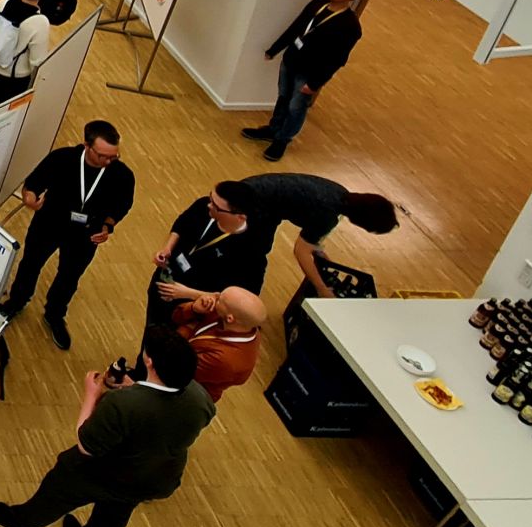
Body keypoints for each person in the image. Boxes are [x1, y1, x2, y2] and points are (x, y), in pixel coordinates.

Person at [0, 327, 214, 527]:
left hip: (103, 471)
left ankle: (20, 522)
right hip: (152, 478)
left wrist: (91, 394)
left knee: (57, 492)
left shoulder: (121, 404)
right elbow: (162, 414)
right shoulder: (200, 398)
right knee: (113, 517)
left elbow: (86, 444)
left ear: (149, 361)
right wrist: (136, 387)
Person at [0, 120, 135, 351]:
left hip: (86, 234)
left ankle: (54, 314)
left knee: (70, 276)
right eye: (102, 156)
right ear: (87, 146)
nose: (108, 161)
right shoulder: (62, 158)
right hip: (49, 223)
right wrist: (30, 198)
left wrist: (107, 226)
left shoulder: (122, 175)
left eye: (114, 156)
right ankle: (16, 301)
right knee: (31, 264)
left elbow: (122, 205)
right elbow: (33, 183)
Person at [243, 0, 367, 160]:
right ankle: (273, 129)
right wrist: (274, 49)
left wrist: (315, 83)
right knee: (283, 97)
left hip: (309, 73)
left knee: (296, 107)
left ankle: (282, 140)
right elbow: (296, 28)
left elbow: (337, 59)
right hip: (291, 60)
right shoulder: (317, 4)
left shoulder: (350, 26)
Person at [229, 172, 399, 295]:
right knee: (254, 259)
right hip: (252, 206)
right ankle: (242, 303)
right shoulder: (327, 215)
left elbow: (311, 238)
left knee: (250, 250)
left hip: (255, 192)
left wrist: (319, 253)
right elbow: (301, 252)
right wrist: (322, 289)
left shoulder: (339, 192)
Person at [146, 183, 268, 335]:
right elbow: (181, 225)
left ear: (239, 217)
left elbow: (239, 300)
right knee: (151, 328)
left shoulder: (252, 252)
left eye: (216, 206)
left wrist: (188, 293)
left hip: (193, 309)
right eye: (211, 198)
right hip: (165, 281)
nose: (209, 205)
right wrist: (167, 248)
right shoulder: (203, 207)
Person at [171, 287, 267, 403]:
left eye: (220, 299)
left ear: (230, 318)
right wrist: (193, 309)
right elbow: (176, 316)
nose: (214, 296)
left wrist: (186, 329)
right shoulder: (238, 322)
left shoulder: (226, 361)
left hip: (182, 394)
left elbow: (176, 368)